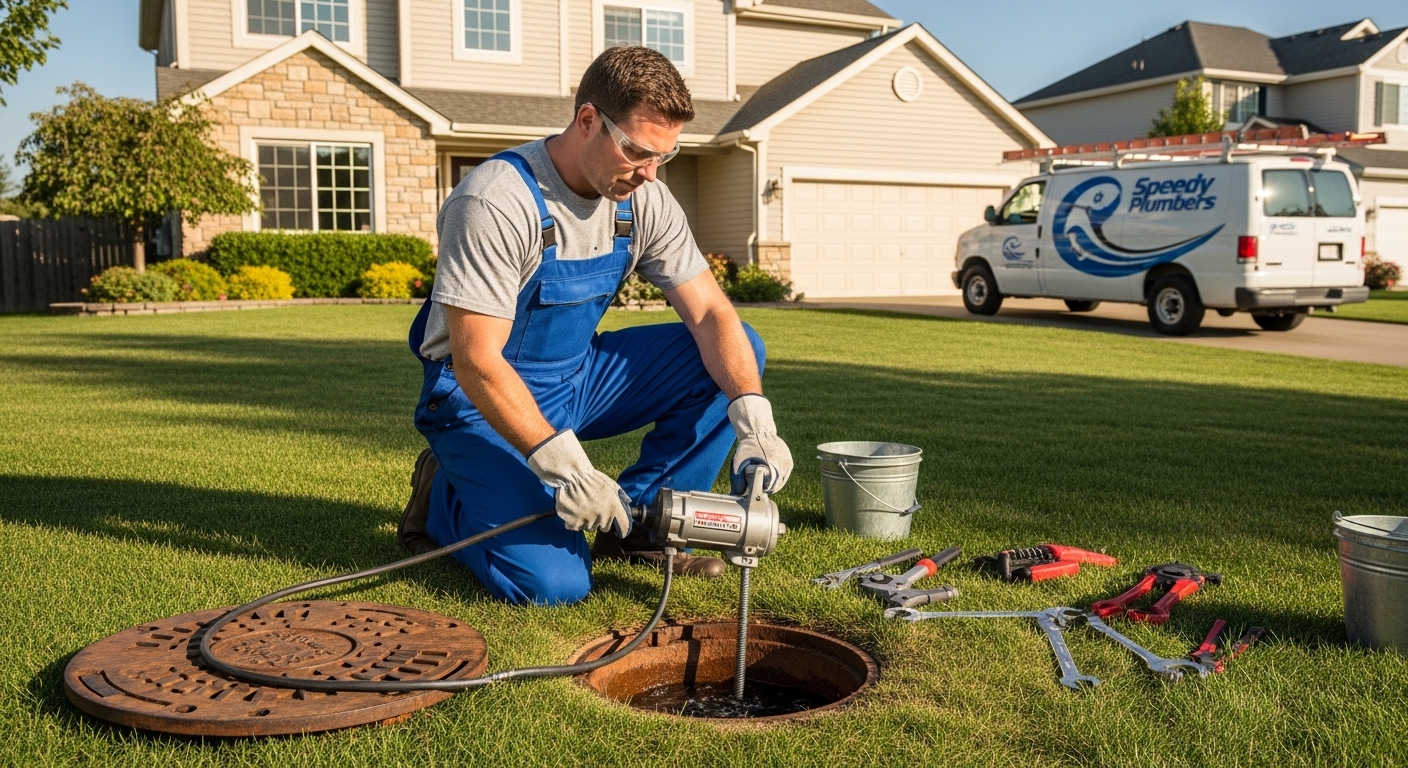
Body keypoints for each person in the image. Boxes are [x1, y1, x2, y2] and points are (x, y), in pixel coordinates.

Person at [398, 46, 793, 606]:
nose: (651, 172)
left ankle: (644, 526)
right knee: (553, 584)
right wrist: (567, 469)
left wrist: (754, 417)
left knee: (737, 350)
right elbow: (476, 361)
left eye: (666, 155)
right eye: (636, 151)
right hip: (478, 397)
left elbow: (710, 314)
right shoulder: (495, 201)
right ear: (588, 121)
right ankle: (444, 498)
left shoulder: (643, 196)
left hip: (577, 377)